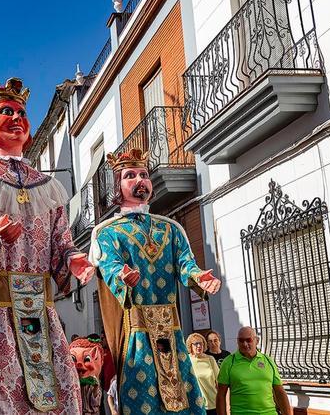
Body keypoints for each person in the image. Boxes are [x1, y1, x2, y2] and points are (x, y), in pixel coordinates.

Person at [0, 77, 94, 413]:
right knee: (4, 386)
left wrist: (73, 260)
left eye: (22, 112)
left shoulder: (49, 186)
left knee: (55, 385)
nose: (16, 118)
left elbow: (60, 240)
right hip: (2, 307)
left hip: (43, 309)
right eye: (5, 111)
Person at [89, 148, 221, 414]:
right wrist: (122, 277)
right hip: (136, 334)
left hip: (172, 332)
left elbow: (185, 262)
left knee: (185, 398)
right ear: (118, 186)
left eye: (143, 174)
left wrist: (198, 277)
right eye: (130, 175)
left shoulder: (171, 228)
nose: (140, 180)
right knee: (143, 400)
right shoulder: (107, 233)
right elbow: (110, 265)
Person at [217, 327, 292, 415]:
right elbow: (221, 395)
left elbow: (279, 392)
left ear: (257, 340)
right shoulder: (229, 362)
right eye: (241, 340)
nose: (245, 344)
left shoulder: (268, 361)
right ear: (237, 341)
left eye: (248, 340)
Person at [187, 333, 220, 415]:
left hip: (214, 403)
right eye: (195, 344)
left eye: (201, 343)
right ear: (190, 346)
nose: (199, 346)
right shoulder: (187, 360)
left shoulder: (210, 359)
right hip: (196, 404)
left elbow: (219, 381)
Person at [69, 337, 104, 415]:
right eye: (73, 359)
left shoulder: (93, 383)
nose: (79, 364)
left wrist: (95, 388)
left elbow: (95, 403)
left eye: (87, 359)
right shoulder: (71, 385)